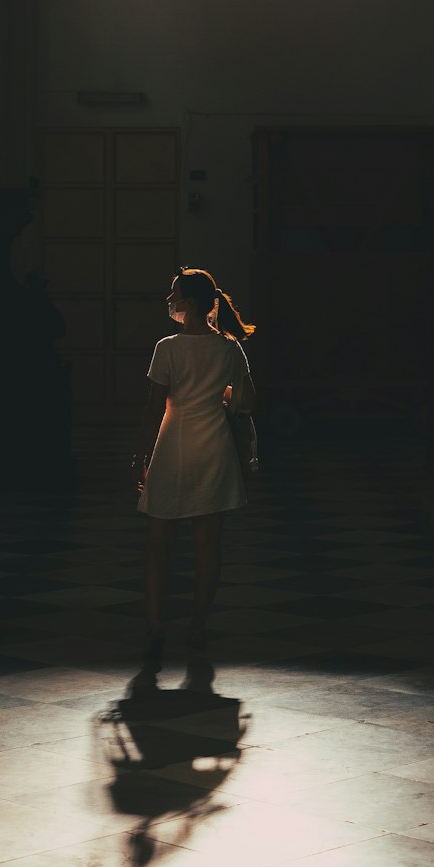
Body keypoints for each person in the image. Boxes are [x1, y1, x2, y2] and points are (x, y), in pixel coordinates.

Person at [131, 267, 256, 654]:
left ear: (188, 303)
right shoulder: (229, 348)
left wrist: (141, 456)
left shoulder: (167, 347)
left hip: (173, 446)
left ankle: (155, 625)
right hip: (214, 448)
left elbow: (155, 409)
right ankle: (198, 627)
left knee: (158, 543)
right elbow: (244, 403)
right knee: (208, 545)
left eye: (174, 293)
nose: (169, 299)